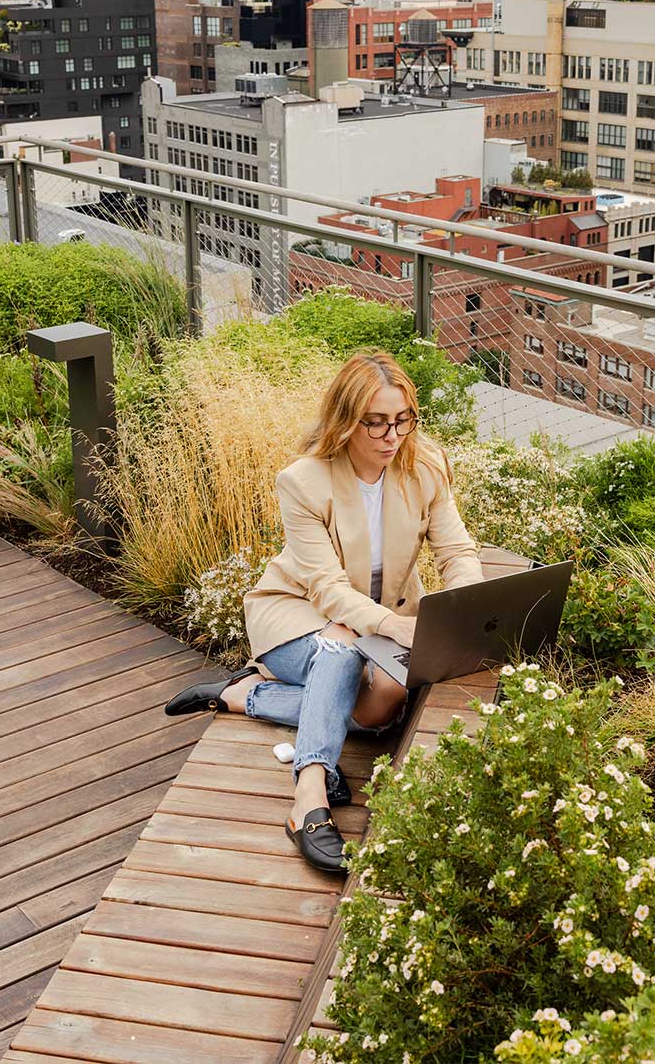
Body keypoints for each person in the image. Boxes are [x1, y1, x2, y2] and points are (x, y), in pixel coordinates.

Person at [163, 350, 482, 874]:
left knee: (385, 710)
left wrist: (466, 603)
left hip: (380, 623)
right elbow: (330, 591)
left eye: (402, 420)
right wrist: (393, 625)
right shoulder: (304, 481)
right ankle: (309, 797)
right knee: (341, 638)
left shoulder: (426, 467)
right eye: (375, 422)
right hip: (298, 615)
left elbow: (456, 552)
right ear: (344, 420)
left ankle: (247, 694)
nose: (391, 436)